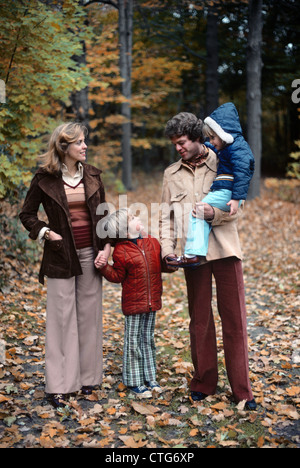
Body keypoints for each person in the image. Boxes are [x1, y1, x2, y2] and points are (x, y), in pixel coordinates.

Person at [160, 111, 256, 410]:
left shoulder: (222, 159)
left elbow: (238, 205)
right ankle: (204, 383)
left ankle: (242, 390)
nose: (178, 148)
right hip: (193, 257)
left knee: (235, 320)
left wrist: (214, 214)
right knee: (199, 320)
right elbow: (165, 218)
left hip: (226, 250)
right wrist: (166, 251)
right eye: (174, 143)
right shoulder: (170, 174)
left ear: (198, 138)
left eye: (182, 142)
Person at [19, 122, 111, 408]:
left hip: (91, 255)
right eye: (79, 142)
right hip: (60, 256)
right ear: (64, 146)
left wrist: (107, 249)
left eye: (85, 141)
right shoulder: (44, 178)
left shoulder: (93, 175)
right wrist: (47, 232)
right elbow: (27, 214)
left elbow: (106, 219)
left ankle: (88, 380)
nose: (85, 146)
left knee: (89, 318)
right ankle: (59, 385)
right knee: (61, 320)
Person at [172, 102, 255, 265]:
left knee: (198, 211)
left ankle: (193, 253)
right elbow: (215, 148)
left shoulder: (239, 150)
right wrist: (203, 145)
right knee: (200, 212)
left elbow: (244, 172)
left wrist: (237, 198)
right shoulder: (229, 148)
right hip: (225, 190)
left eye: (213, 137)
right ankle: (195, 252)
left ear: (223, 134)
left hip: (226, 191)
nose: (211, 141)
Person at [95, 208, 163, 399]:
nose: (138, 218)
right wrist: (104, 268)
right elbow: (117, 276)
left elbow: (160, 266)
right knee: (133, 342)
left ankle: (150, 377)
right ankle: (134, 381)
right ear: (125, 231)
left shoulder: (152, 243)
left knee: (147, 339)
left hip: (152, 301)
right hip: (133, 304)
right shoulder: (121, 252)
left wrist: (172, 263)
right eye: (133, 218)